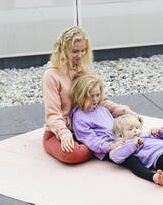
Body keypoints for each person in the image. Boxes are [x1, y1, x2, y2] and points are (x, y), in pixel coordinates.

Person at [42, 26, 143, 164]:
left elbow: (100, 100)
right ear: (63, 50)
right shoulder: (51, 75)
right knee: (74, 154)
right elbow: (52, 114)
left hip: (86, 128)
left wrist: (126, 112)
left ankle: (98, 147)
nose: (80, 55)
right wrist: (64, 133)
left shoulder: (82, 67)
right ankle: (98, 148)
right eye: (75, 51)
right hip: (59, 132)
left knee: (124, 132)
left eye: (83, 50)